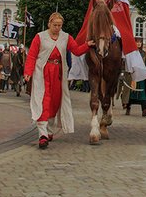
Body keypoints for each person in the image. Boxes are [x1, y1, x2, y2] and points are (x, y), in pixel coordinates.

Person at [23, 12, 94, 149]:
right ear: (49, 23)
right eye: (55, 25)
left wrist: (87, 45)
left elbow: (77, 51)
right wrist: (28, 72)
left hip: (58, 74)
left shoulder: (65, 37)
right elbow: (32, 56)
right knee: (44, 100)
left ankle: (49, 130)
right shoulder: (40, 37)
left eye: (60, 25)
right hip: (42, 73)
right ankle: (42, 135)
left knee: (55, 102)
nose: (57, 27)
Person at [70, 0, 146, 84]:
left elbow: (123, 13)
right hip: (99, 22)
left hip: (115, 23)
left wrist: (115, 22)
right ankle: (84, 63)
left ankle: (122, 61)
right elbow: (91, 11)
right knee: (85, 36)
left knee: (124, 36)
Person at [126, 37, 146, 117]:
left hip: (142, 76)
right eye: (137, 42)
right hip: (134, 76)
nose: (138, 43)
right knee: (132, 93)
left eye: (140, 42)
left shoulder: (144, 54)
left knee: (142, 93)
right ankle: (128, 107)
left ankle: (144, 110)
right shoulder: (132, 53)